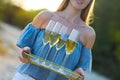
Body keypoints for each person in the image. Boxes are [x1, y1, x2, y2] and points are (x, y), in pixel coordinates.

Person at [12, 0, 96, 80]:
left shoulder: (89, 34)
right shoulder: (45, 16)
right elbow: (27, 46)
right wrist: (26, 52)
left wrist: (77, 72)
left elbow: (79, 67)